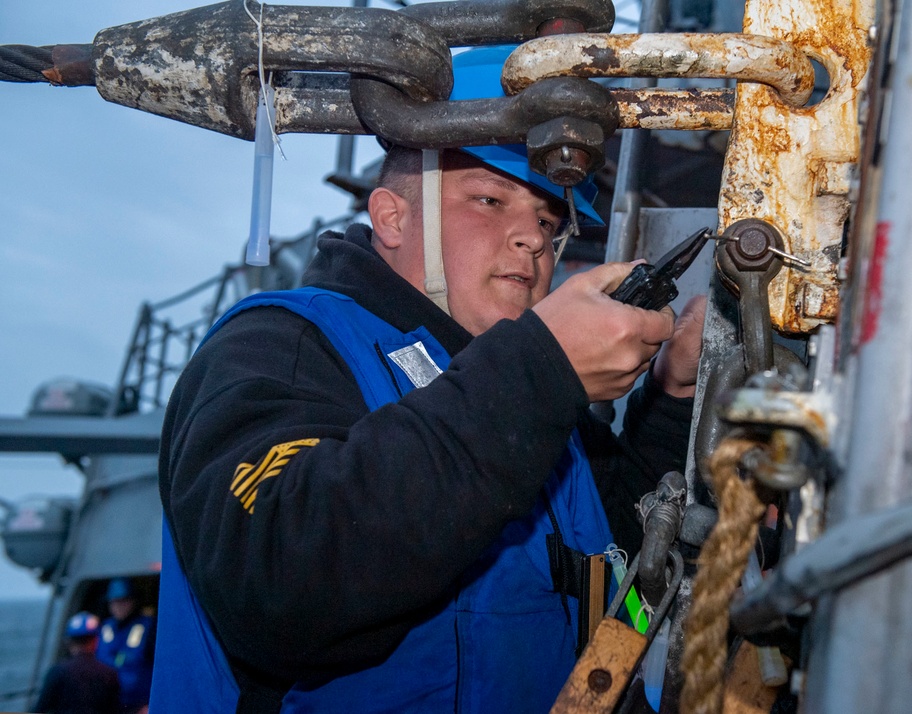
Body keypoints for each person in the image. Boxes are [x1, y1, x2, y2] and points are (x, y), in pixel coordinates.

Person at [150, 45, 705, 713]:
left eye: (547, 223)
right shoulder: (281, 345)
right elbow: (281, 576)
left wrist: (671, 395)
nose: (531, 239)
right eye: (491, 199)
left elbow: (620, 548)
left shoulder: (525, 393)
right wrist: (539, 373)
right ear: (392, 216)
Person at [34, 611, 120, 714]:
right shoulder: (109, 674)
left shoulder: (57, 672)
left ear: (68, 641)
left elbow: (40, 709)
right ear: (96, 640)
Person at [96, 578, 154, 714]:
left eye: (123, 601)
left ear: (133, 601)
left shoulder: (149, 627)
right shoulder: (104, 628)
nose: (119, 606)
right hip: (108, 704)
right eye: (114, 602)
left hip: (140, 705)